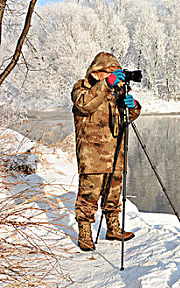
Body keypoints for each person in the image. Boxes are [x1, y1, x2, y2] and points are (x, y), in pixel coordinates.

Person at [71, 52, 141, 251]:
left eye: (113, 72)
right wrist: (106, 84)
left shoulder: (116, 91)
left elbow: (128, 117)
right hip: (92, 155)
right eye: (105, 72)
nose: (110, 76)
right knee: (88, 196)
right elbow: (84, 105)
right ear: (96, 71)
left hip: (116, 153)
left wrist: (133, 106)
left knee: (113, 194)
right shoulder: (81, 88)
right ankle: (85, 234)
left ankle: (113, 228)